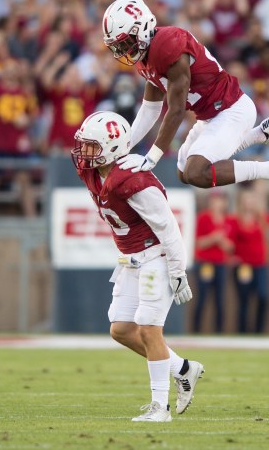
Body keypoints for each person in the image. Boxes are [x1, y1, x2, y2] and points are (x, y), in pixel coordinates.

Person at [99, 0, 269, 213]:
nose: (123, 51)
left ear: (142, 29)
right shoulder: (147, 56)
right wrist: (123, 148)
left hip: (231, 109)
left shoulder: (168, 44)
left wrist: (152, 157)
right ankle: (260, 135)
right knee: (183, 172)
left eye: (125, 42)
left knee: (197, 172)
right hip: (210, 115)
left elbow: (176, 111)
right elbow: (150, 109)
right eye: (118, 46)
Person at [71, 111, 204, 422]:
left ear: (113, 148)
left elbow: (169, 227)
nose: (84, 153)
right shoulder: (92, 172)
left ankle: (161, 408)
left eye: (91, 147)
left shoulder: (133, 180)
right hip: (131, 259)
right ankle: (183, 369)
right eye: (84, 145)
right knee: (121, 328)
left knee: (148, 328)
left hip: (156, 256)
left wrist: (177, 271)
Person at [232, 186, 269, 333]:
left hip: (260, 265)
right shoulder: (235, 220)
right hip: (244, 266)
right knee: (244, 298)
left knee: (263, 296)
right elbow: (230, 241)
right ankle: (243, 331)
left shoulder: (260, 218)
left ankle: (258, 330)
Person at [192, 190, 234, 333]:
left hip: (221, 264)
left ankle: (219, 331)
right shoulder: (203, 218)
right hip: (205, 262)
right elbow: (198, 243)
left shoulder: (229, 220)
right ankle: (196, 329)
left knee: (220, 299)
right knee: (202, 297)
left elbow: (231, 247)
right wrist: (213, 238)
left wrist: (222, 241)